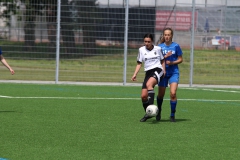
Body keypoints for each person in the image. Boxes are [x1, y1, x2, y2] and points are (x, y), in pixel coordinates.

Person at [131, 33, 165, 122]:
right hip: (148, 73)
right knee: (143, 96)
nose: (147, 43)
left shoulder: (158, 49)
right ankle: (149, 112)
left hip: (158, 70)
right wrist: (135, 74)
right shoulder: (141, 50)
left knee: (149, 84)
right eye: (145, 41)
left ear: (152, 41)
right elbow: (139, 63)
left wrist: (164, 71)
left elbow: (162, 60)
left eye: (149, 41)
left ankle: (152, 108)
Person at [156, 27, 183, 122]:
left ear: (171, 36)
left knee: (173, 93)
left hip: (173, 73)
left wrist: (172, 63)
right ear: (163, 35)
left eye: (168, 35)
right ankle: (158, 111)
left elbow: (180, 59)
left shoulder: (176, 46)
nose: (167, 36)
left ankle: (172, 115)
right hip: (163, 73)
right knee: (160, 95)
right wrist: (164, 58)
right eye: (165, 35)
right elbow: (157, 60)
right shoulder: (159, 47)